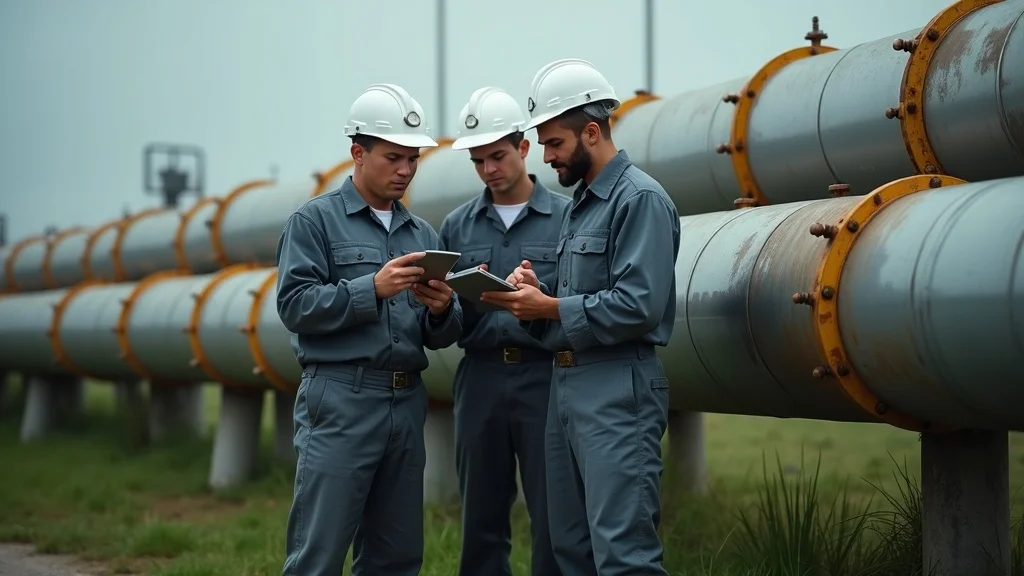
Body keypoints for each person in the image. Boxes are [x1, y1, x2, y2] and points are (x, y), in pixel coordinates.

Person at [480, 58, 681, 576]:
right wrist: (533, 297)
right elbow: (581, 303)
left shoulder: (640, 200)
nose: (546, 156)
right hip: (566, 387)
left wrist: (550, 307)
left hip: (618, 389)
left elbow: (638, 305)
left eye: (554, 143)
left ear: (592, 132)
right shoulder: (581, 206)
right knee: (570, 547)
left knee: (624, 554)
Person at [275, 82, 464, 576]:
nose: (405, 170)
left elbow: (437, 334)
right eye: (393, 157)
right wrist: (370, 289)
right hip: (341, 399)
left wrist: (442, 310)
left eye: (413, 159)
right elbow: (294, 306)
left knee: (396, 556)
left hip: (406, 401)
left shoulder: (422, 234)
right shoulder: (314, 222)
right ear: (357, 153)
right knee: (319, 552)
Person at [438, 86, 568, 576]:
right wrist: (440, 306)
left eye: (497, 156)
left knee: (554, 510)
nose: (489, 169)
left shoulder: (567, 218)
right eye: (478, 161)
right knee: (481, 513)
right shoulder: (456, 226)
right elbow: (447, 323)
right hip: (481, 378)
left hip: (545, 376)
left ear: (524, 147)